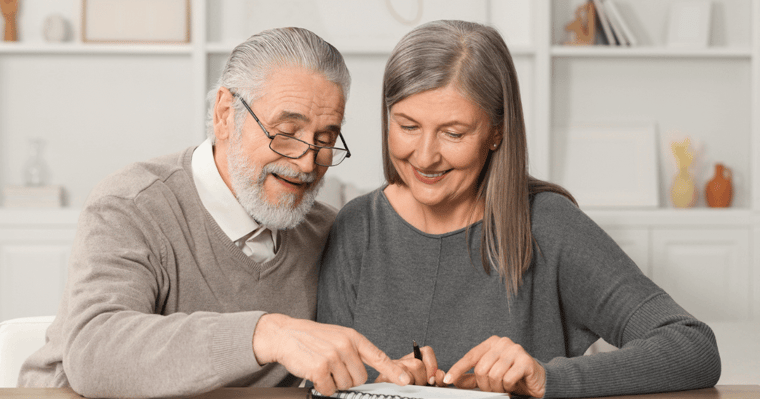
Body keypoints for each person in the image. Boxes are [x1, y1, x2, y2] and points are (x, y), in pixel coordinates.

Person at [317, 20, 721, 398]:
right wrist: (392, 385)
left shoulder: (548, 226)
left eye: (453, 133)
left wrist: (547, 378)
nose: (424, 156)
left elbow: (692, 346)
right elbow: (323, 381)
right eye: (407, 126)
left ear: (496, 133)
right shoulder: (357, 227)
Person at [18, 27, 411, 398]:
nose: (308, 163)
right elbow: (95, 351)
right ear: (225, 114)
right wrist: (266, 334)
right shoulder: (132, 203)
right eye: (287, 132)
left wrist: (393, 372)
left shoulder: (326, 230)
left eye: (325, 139)